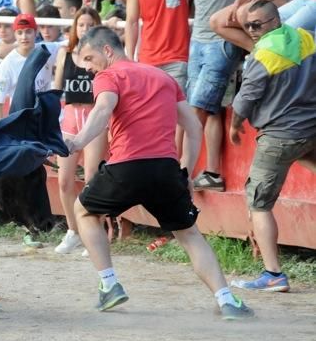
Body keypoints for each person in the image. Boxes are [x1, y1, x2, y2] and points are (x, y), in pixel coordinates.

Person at [66, 26, 253, 320]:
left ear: (107, 50)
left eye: (89, 58)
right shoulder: (163, 77)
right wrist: (186, 173)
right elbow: (193, 128)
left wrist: (77, 142)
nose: (88, 68)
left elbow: (102, 111)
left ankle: (109, 284)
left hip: (127, 166)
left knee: (84, 211)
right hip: (166, 169)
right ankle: (226, 299)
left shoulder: (108, 76)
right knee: (190, 235)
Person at [229, 0, 316, 292]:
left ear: (275, 21)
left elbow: (246, 97)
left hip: (279, 136)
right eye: (248, 26)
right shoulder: (306, 38)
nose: (252, 31)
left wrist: (234, 124)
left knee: (259, 204)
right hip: (310, 130)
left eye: (257, 25)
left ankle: (273, 274)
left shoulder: (263, 53)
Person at [182, 0, 254, 191]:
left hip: (223, 40)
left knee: (197, 108)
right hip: (197, 40)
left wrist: (242, 11)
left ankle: (181, 173)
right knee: (207, 109)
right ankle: (211, 174)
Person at [52, 7, 106, 254]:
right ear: (75, 27)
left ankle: (93, 231)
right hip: (71, 118)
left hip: (94, 117)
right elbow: (55, 90)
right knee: (64, 180)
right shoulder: (65, 53)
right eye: (81, 24)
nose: (85, 28)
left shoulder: (103, 56)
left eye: (89, 24)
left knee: (92, 177)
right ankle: (73, 230)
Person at [0, 13, 58, 120]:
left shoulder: (47, 49)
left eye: (28, 32)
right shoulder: (7, 64)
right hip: (21, 119)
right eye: (20, 32)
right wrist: (0, 130)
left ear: (36, 33)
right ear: (15, 34)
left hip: (45, 117)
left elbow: (69, 45)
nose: (24, 37)